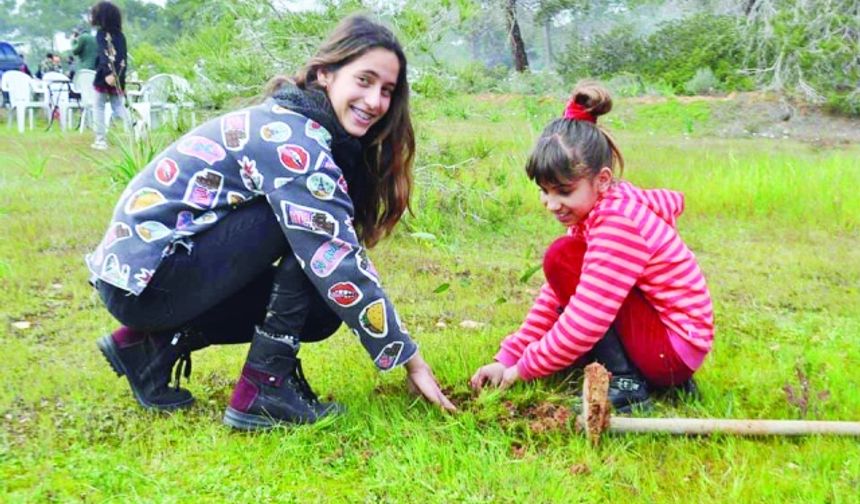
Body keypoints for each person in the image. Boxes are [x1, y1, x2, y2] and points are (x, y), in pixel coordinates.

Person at [86, 15, 456, 430]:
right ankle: (263, 387)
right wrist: (410, 361)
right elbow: (336, 258)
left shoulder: (299, 123)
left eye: (387, 90)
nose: (375, 101)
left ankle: (148, 350)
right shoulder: (294, 141)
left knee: (320, 308)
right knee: (314, 238)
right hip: (147, 283)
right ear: (325, 74)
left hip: (148, 280)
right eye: (364, 80)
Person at [469, 82, 714, 412]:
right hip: (671, 346)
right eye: (544, 190)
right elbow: (554, 297)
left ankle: (629, 384)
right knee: (564, 263)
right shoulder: (597, 213)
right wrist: (509, 356)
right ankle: (644, 373)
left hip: (670, 350)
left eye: (563, 191)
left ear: (601, 180)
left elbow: (585, 320)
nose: (551, 204)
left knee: (561, 258)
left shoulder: (617, 223)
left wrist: (521, 371)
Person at [90, 1, 131, 150]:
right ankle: (134, 129)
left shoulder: (101, 34)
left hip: (104, 75)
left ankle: (100, 140)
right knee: (119, 106)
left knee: (99, 106)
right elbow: (123, 58)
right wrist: (120, 78)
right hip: (118, 75)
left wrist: (108, 73)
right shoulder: (121, 36)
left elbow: (104, 54)